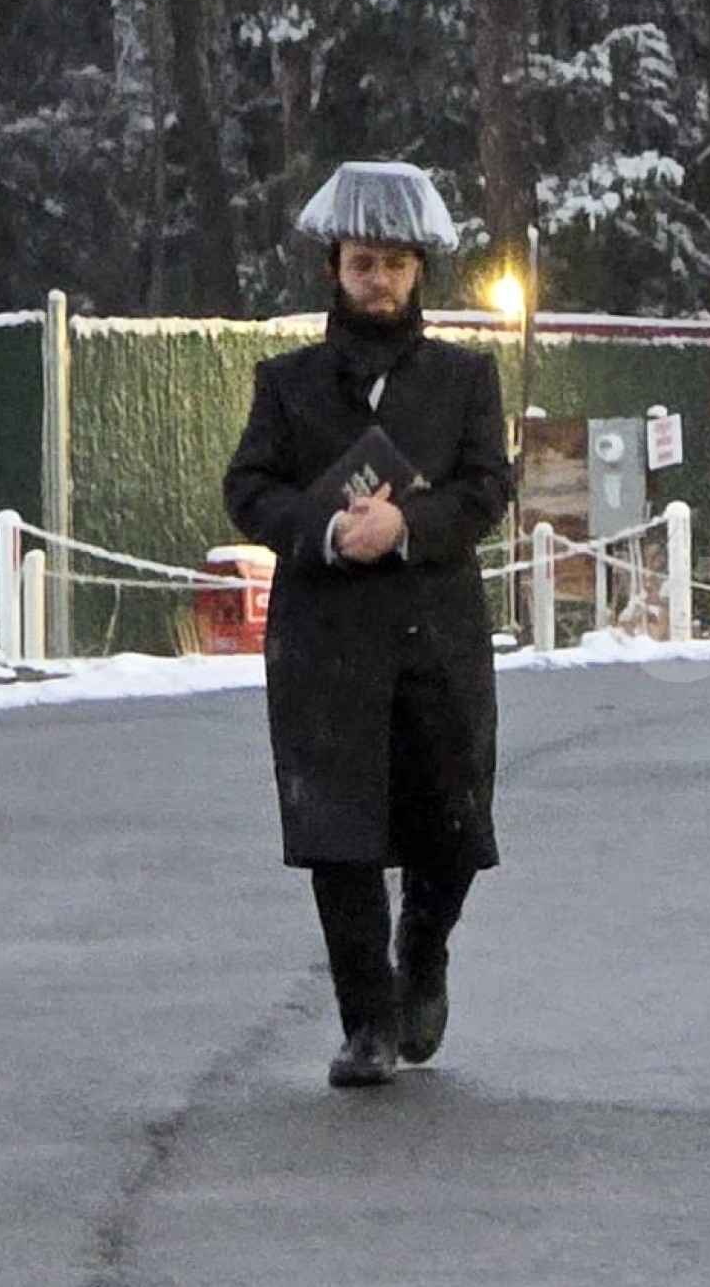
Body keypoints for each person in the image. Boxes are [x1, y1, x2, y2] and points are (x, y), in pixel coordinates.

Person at [224, 161, 513, 1087]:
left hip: (438, 637)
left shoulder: (467, 379)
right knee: (339, 835)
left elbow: (486, 491)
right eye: (361, 263)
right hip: (326, 644)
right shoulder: (287, 383)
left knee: (451, 824)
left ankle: (422, 951)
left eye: (393, 263)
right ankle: (368, 1025)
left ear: (419, 269)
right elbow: (249, 491)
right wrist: (327, 531)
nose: (377, 280)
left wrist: (408, 528)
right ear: (332, 270)